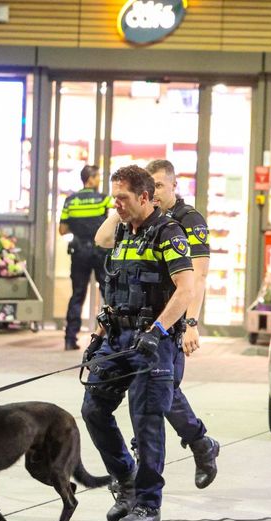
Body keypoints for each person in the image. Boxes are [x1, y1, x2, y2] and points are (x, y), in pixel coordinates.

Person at [80, 165, 195, 521]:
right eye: (115, 198)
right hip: (117, 338)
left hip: (153, 343)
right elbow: (116, 288)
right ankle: (126, 482)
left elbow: (186, 289)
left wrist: (159, 329)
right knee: (93, 408)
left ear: (144, 197)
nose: (117, 205)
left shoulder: (168, 232)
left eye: (123, 198)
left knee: (146, 423)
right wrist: (98, 333)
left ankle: (148, 505)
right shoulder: (123, 233)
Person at [97, 160, 220, 489]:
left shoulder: (187, 221)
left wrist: (190, 322)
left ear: (172, 186)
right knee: (159, 398)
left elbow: (198, 276)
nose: (155, 193)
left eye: (159, 187)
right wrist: (122, 207)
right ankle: (198, 444)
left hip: (166, 327)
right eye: (149, 188)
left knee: (156, 400)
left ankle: (151, 485)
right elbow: (103, 239)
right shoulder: (132, 220)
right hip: (131, 333)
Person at [59, 165, 112, 350]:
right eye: (97, 177)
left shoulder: (70, 201)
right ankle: (110, 336)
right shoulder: (103, 199)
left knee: (77, 294)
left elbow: (62, 230)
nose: (99, 180)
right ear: (90, 178)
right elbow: (112, 222)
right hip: (100, 252)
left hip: (79, 252)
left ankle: (69, 338)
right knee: (107, 293)